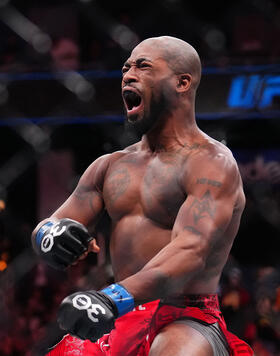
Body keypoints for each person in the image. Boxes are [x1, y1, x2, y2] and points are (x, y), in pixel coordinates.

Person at [31, 35, 253, 355]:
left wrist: (112, 298)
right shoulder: (110, 166)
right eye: (125, 67)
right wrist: (50, 234)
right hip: (120, 316)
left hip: (185, 314)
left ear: (182, 82)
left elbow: (190, 251)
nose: (128, 74)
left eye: (143, 66)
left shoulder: (211, 162)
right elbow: (53, 224)